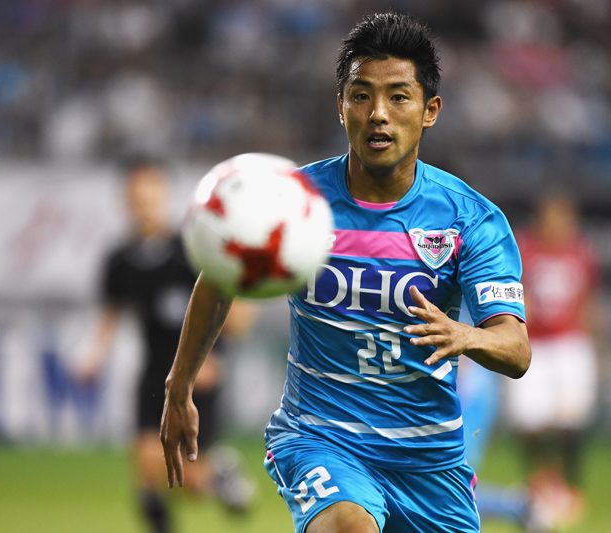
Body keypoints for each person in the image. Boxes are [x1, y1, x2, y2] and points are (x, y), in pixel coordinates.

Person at [160, 12, 531, 533]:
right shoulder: (294, 203)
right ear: (341, 106)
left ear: (430, 110)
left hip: (429, 460)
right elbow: (220, 279)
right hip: (320, 438)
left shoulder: (470, 219)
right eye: (361, 96)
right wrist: (179, 386)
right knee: (348, 525)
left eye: (398, 97)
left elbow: (516, 350)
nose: (378, 114)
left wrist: (467, 335)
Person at [77, 155, 256, 533]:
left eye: (150, 192)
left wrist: (217, 357)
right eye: (136, 194)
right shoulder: (119, 260)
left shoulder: (191, 247)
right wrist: (94, 355)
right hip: (154, 373)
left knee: (189, 483)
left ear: (163, 195)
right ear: (126, 199)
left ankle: (217, 475)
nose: (143, 202)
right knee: (147, 472)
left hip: (195, 373)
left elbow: (230, 308)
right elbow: (111, 314)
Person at [503, 191, 607, 529]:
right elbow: (511, 290)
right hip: (534, 344)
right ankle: (540, 479)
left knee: (570, 420)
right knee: (529, 421)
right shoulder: (524, 250)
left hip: (570, 343)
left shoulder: (581, 252)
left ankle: (571, 487)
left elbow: (590, 301)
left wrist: (600, 347)